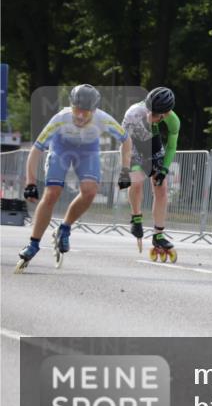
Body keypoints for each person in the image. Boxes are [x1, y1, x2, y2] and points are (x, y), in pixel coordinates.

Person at [15, 85, 132, 273]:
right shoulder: (60, 118)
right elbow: (36, 149)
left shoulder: (103, 119)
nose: (80, 116)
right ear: (71, 106)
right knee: (52, 193)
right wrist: (30, 182)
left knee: (90, 191)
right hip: (61, 149)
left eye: (86, 112)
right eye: (77, 110)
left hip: (88, 152)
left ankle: (65, 228)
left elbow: (126, 140)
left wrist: (125, 170)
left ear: (94, 110)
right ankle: (33, 244)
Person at [121, 87, 181, 261]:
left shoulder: (173, 121)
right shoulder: (133, 114)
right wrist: (125, 169)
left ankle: (158, 234)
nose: (151, 116)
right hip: (134, 144)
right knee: (137, 181)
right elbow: (125, 145)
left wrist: (164, 169)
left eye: (156, 115)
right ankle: (136, 217)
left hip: (153, 142)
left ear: (166, 114)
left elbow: (171, 146)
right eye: (150, 112)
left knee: (161, 187)